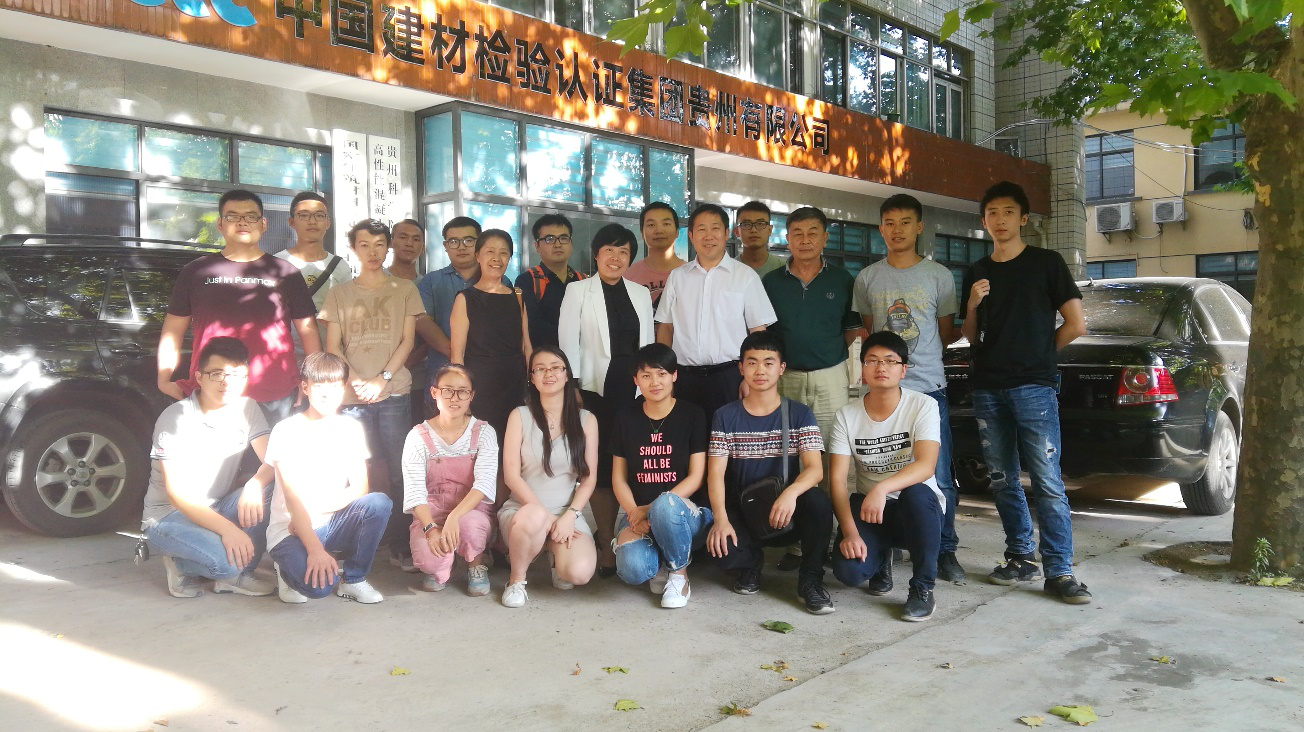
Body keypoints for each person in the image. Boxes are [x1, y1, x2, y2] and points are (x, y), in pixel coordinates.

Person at [960, 181, 1090, 604]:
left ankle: (1060, 570)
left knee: (1047, 480)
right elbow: (969, 335)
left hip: (1034, 387)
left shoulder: (1046, 263)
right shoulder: (977, 270)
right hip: (988, 386)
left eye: (1008, 212)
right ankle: (1020, 556)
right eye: (992, 214)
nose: (1000, 220)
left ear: (1023, 219)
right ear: (984, 221)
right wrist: (972, 304)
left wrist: (1040, 354)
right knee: (1001, 478)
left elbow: (1076, 324)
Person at [852, 193, 965, 582]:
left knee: (939, 474)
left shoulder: (939, 275)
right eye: (889, 223)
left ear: (919, 227)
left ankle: (945, 549)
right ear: (880, 228)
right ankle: (884, 547)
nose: (896, 230)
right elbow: (871, 333)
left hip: (928, 388)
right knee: (876, 470)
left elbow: (946, 333)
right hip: (882, 392)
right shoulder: (868, 277)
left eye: (904, 222)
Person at [158, 189, 320, 425]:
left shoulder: (285, 273)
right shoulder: (196, 272)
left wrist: (311, 380)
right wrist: (163, 378)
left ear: (263, 224)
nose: (243, 222)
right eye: (233, 216)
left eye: (251, 216)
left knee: (270, 451)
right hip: (213, 391)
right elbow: (173, 329)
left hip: (275, 393)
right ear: (220, 224)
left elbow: (308, 330)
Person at [318, 219, 424, 572]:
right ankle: (349, 541)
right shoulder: (339, 293)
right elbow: (333, 347)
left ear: (387, 247)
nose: (373, 252)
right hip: (351, 398)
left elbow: (408, 341)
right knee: (351, 471)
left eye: (379, 245)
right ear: (353, 248)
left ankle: (400, 543)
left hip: (393, 392)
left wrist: (382, 378)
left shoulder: (404, 289)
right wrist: (359, 381)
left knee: (398, 470)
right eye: (364, 245)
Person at [705, 331, 836, 615]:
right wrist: (721, 520)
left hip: (784, 514)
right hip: (743, 510)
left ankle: (811, 579)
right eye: (752, 363)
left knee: (817, 501)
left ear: (781, 368)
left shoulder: (799, 413)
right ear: (741, 368)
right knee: (722, 553)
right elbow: (715, 474)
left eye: (768, 362)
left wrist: (791, 494)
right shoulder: (725, 416)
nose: (760, 370)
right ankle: (750, 564)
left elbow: (815, 470)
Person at [762, 206, 862, 572]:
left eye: (812, 233)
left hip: (830, 377)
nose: (805, 240)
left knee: (832, 458)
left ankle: (828, 540)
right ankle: (796, 542)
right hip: (785, 378)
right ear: (787, 239)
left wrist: (825, 356)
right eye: (797, 234)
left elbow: (851, 330)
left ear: (825, 237)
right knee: (790, 457)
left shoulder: (843, 279)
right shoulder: (771, 282)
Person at [140, 337, 276, 599]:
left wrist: (255, 484)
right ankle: (182, 565)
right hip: (168, 516)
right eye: (218, 374)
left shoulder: (247, 408)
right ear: (199, 377)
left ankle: (236, 576)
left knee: (270, 488)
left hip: (217, 506)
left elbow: (272, 460)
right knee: (227, 563)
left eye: (236, 375)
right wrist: (229, 530)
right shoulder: (175, 418)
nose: (227, 383)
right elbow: (176, 496)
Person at [558, 223, 655, 577]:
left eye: (624, 251)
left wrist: (650, 384)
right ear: (596, 255)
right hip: (594, 390)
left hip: (635, 389)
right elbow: (567, 340)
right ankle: (604, 540)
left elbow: (648, 343)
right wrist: (572, 386)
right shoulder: (578, 290)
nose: (616, 257)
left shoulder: (640, 293)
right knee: (599, 465)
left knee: (631, 461)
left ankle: (633, 532)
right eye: (609, 250)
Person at [829, 331, 945, 622]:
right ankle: (881, 558)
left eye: (890, 361)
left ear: (903, 370)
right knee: (848, 572)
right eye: (872, 360)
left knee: (917, 493)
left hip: (915, 510)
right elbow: (837, 480)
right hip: (870, 511)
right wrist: (850, 532)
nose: (881, 367)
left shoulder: (923, 405)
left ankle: (922, 588)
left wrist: (881, 489)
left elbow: (926, 465)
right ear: (863, 368)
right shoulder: (846, 415)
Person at [267, 352, 392, 604]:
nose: (327, 394)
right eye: (319, 386)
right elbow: (292, 498)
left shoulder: (350, 428)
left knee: (378, 503)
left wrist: (316, 509)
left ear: (344, 388)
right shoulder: (286, 430)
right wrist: (314, 550)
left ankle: (354, 579)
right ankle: (286, 570)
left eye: (335, 386)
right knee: (319, 588)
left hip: (331, 521)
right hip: (289, 529)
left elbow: (360, 487)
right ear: (305, 387)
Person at [655, 203, 776, 425]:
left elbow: (758, 333)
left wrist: (749, 378)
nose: (708, 236)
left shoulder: (745, 276)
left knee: (728, 440)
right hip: (684, 378)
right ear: (691, 236)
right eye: (701, 229)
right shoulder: (677, 277)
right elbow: (665, 327)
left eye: (715, 228)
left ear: (727, 233)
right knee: (686, 439)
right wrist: (664, 374)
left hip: (730, 378)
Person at [609, 344, 710, 608]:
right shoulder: (625, 418)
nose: (655, 382)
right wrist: (634, 512)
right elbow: (619, 478)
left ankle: (678, 574)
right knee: (633, 571)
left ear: (674, 375)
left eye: (662, 374)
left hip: (684, 513)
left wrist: (650, 509)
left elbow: (696, 476)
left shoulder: (693, 414)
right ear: (636, 380)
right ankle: (659, 561)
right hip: (637, 515)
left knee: (665, 504)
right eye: (646, 376)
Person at [498, 347, 600, 608]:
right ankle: (516, 580)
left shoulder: (586, 420)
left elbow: (588, 479)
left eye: (556, 367)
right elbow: (511, 476)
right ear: (532, 378)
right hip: (524, 512)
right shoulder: (519, 416)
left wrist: (570, 515)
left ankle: (554, 555)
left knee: (579, 573)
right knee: (534, 517)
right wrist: (547, 517)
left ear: (567, 375)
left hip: (566, 514)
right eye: (540, 369)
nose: (548, 373)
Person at [402, 364, 498, 596]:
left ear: (471, 395)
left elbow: (484, 484)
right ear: (434, 392)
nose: (455, 398)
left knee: (469, 526)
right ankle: (443, 565)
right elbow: (414, 491)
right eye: (447, 390)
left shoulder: (484, 432)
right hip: (432, 512)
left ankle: (476, 564)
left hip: (471, 511)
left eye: (463, 391)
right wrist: (430, 528)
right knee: (431, 561)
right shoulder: (417, 436)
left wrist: (455, 516)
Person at [414, 216, 510, 414]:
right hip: (442, 377)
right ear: (445, 246)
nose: (461, 247)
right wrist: (454, 351)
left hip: (491, 375)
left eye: (468, 240)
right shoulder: (431, 281)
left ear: (479, 244)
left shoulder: (503, 282)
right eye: (454, 241)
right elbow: (422, 321)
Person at [449, 229, 532, 442]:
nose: (497, 258)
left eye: (504, 253)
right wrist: (461, 396)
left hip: (514, 385)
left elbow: (526, 347)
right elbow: (457, 356)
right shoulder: (465, 299)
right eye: (490, 252)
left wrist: (533, 385)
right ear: (478, 255)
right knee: (483, 446)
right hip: (480, 387)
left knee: (513, 445)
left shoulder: (518, 296)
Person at [275, 191, 352, 351]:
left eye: (319, 215)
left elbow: (348, 314)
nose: (312, 221)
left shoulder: (340, 266)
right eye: (304, 215)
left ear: (328, 222)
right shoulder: (276, 263)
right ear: (291, 222)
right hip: (285, 353)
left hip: (328, 353)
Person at [516, 213, 585, 349]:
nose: (557, 244)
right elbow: (533, 327)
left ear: (571, 243)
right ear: (536, 246)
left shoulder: (583, 280)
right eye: (549, 239)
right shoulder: (528, 281)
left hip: (582, 357)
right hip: (545, 358)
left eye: (563, 238)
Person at [390, 218, 430, 424]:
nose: (409, 243)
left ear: (422, 246)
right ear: (391, 242)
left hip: (419, 378)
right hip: (380, 378)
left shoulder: (427, 284)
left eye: (416, 239)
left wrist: (409, 361)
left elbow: (432, 332)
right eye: (403, 237)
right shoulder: (378, 280)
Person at [625, 201, 685, 305]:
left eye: (666, 224)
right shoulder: (627, 276)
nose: (659, 230)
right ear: (642, 233)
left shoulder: (691, 275)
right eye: (651, 225)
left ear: (677, 231)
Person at [735, 200, 785, 277]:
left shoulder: (784, 269)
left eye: (760, 224)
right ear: (737, 231)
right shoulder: (728, 270)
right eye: (747, 224)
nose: (753, 230)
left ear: (770, 230)